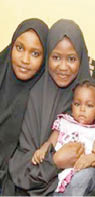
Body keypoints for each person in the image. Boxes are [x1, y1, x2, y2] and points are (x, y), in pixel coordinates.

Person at [9, 19, 95, 196]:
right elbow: (19, 167)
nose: (63, 67)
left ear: (81, 58)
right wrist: (54, 162)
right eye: (56, 57)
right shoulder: (33, 95)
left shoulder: (93, 97)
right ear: (47, 57)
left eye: (71, 59)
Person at [32, 80, 95, 196]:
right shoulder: (63, 123)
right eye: (77, 104)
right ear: (72, 105)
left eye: (89, 106)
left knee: (83, 177)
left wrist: (91, 158)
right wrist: (42, 150)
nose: (82, 109)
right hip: (62, 172)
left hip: (85, 171)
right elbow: (50, 142)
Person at [0, 18, 49, 195]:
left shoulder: (45, 99)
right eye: (20, 48)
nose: (25, 60)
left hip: (17, 184)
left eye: (35, 53)